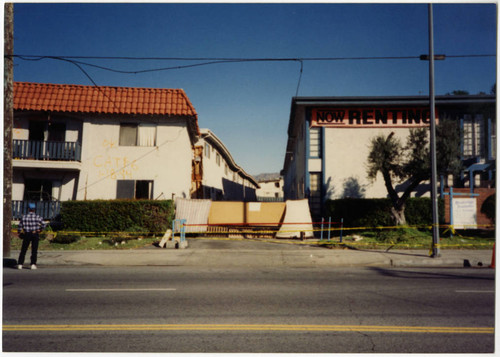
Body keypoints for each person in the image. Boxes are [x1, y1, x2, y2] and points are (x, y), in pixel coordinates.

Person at [17, 203, 46, 270]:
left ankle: (20, 264)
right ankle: (33, 264)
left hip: (27, 234)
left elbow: (20, 226)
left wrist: (19, 232)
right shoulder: (38, 217)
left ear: (28, 209)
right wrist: (39, 230)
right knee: (34, 250)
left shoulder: (24, 217)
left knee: (23, 249)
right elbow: (44, 225)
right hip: (35, 233)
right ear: (34, 209)